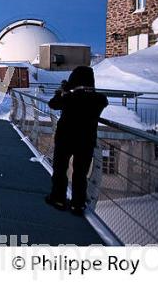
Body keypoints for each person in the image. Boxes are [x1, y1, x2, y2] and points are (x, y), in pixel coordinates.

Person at [45, 66, 108, 216]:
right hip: (86, 141)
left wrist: (62, 91)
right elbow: (97, 101)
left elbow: (53, 104)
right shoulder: (100, 99)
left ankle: (58, 199)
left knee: (60, 169)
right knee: (80, 174)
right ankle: (77, 205)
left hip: (65, 139)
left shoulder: (69, 97)